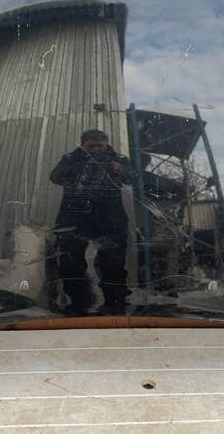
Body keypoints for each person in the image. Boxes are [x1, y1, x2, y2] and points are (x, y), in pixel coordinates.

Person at [49, 129, 135, 314]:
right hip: (74, 218)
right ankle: (78, 303)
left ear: (107, 144)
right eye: (91, 146)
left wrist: (119, 169)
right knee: (70, 263)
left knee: (113, 263)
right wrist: (79, 166)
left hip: (110, 220)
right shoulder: (71, 158)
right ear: (83, 145)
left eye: (100, 146)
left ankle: (115, 303)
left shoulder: (119, 159)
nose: (96, 149)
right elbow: (55, 177)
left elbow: (133, 178)